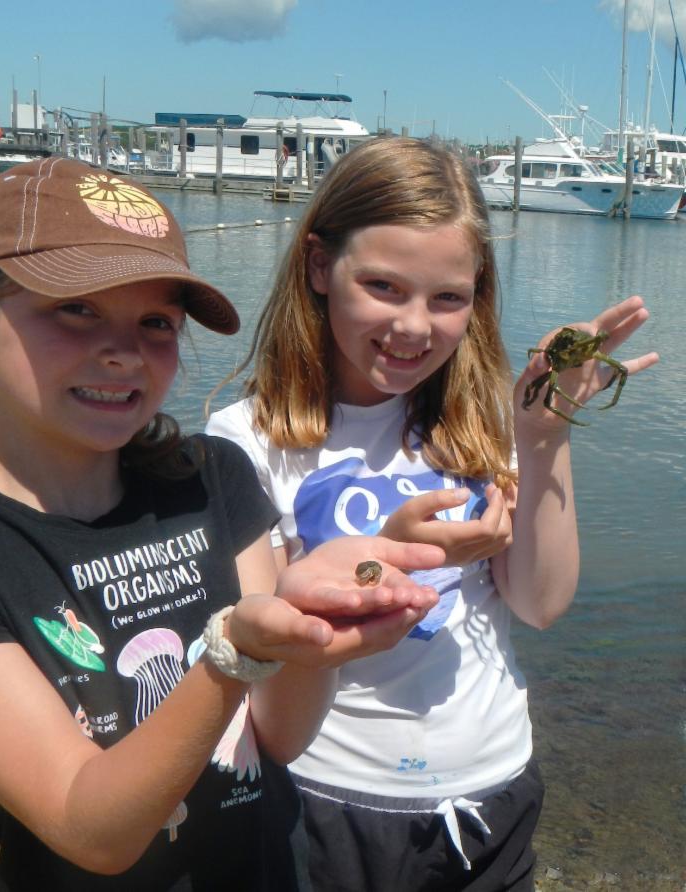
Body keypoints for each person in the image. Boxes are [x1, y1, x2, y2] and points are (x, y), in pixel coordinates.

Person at [0, 157, 445, 891]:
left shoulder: (213, 478)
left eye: (156, 323)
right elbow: (93, 831)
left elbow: (277, 736)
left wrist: (313, 632)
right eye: (75, 309)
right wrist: (232, 655)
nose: (123, 353)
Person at [206, 137, 659, 891]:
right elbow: (264, 666)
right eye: (383, 286)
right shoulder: (246, 443)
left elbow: (541, 604)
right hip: (328, 798)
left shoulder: (487, 420)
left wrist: (542, 436)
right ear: (318, 266)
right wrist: (388, 556)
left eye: (448, 298)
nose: (416, 327)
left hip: (493, 791)